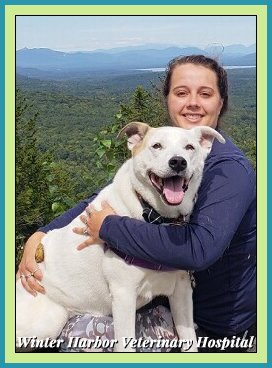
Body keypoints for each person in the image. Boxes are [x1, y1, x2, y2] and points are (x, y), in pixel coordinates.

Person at [17, 55, 256, 353]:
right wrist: (41, 234)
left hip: (215, 329)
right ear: (168, 100)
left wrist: (108, 226)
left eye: (205, 94)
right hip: (56, 292)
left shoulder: (228, 170)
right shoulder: (159, 157)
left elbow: (197, 250)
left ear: (221, 103)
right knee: (38, 333)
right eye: (181, 92)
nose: (193, 102)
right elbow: (101, 197)